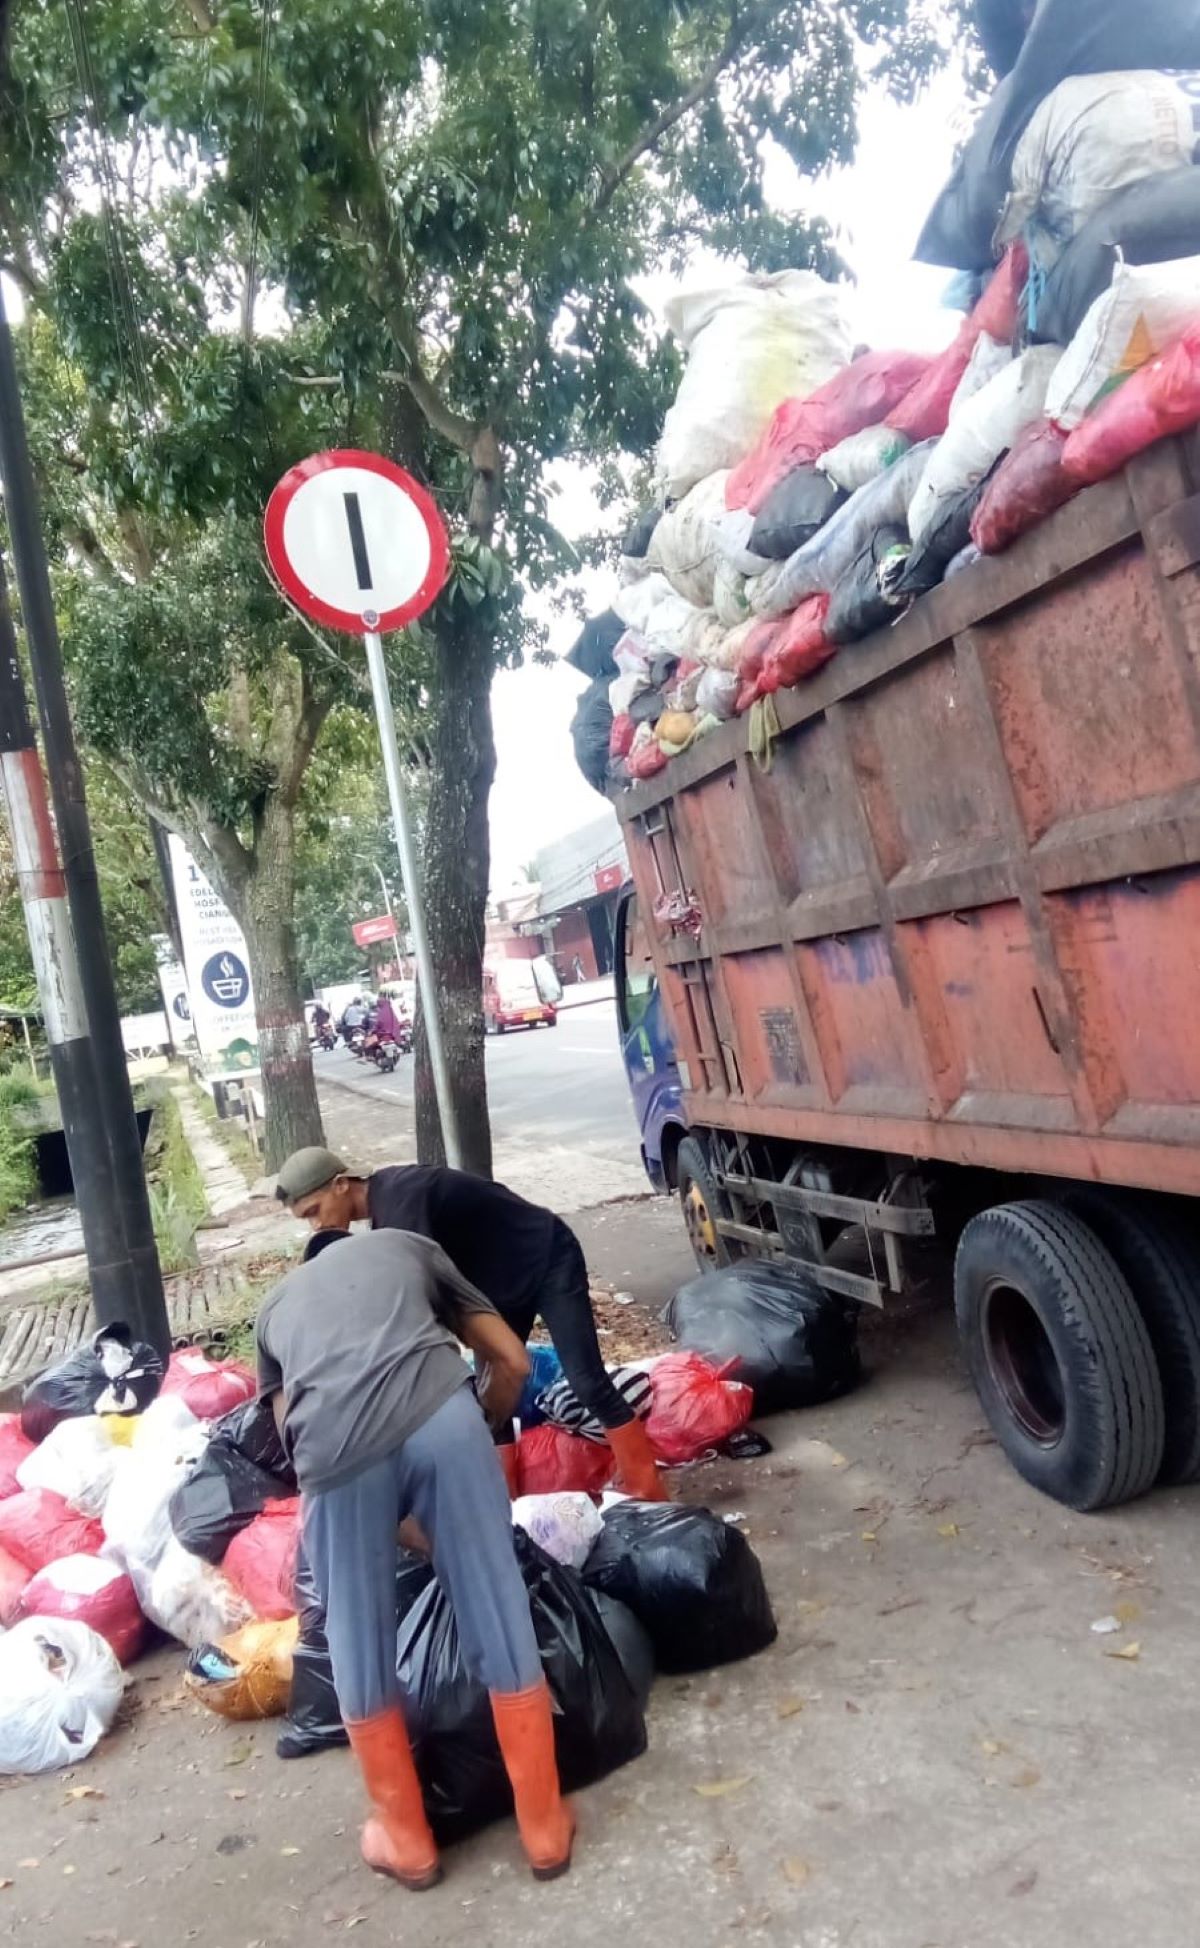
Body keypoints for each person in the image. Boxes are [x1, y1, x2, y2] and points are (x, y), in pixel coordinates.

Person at [255, 1225, 575, 1890]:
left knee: (355, 1637)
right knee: (497, 1604)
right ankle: (544, 1828)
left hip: (334, 1455)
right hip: (442, 1417)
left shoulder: (275, 1310)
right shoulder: (407, 1246)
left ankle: (407, 1841)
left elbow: (292, 1437)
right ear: (353, 1243)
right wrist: (478, 1437)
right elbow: (513, 1361)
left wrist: (391, 1519)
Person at [274, 1147, 666, 1501]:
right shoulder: (384, 1219)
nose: (315, 1227)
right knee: (491, 1396)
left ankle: (647, 1488)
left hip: (546, 1259)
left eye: (313, 1211)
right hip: (495, 1289)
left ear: (342, 1185)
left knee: (587, 1382)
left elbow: (415, 1291)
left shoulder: (402, 1199)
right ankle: (506, 1505)